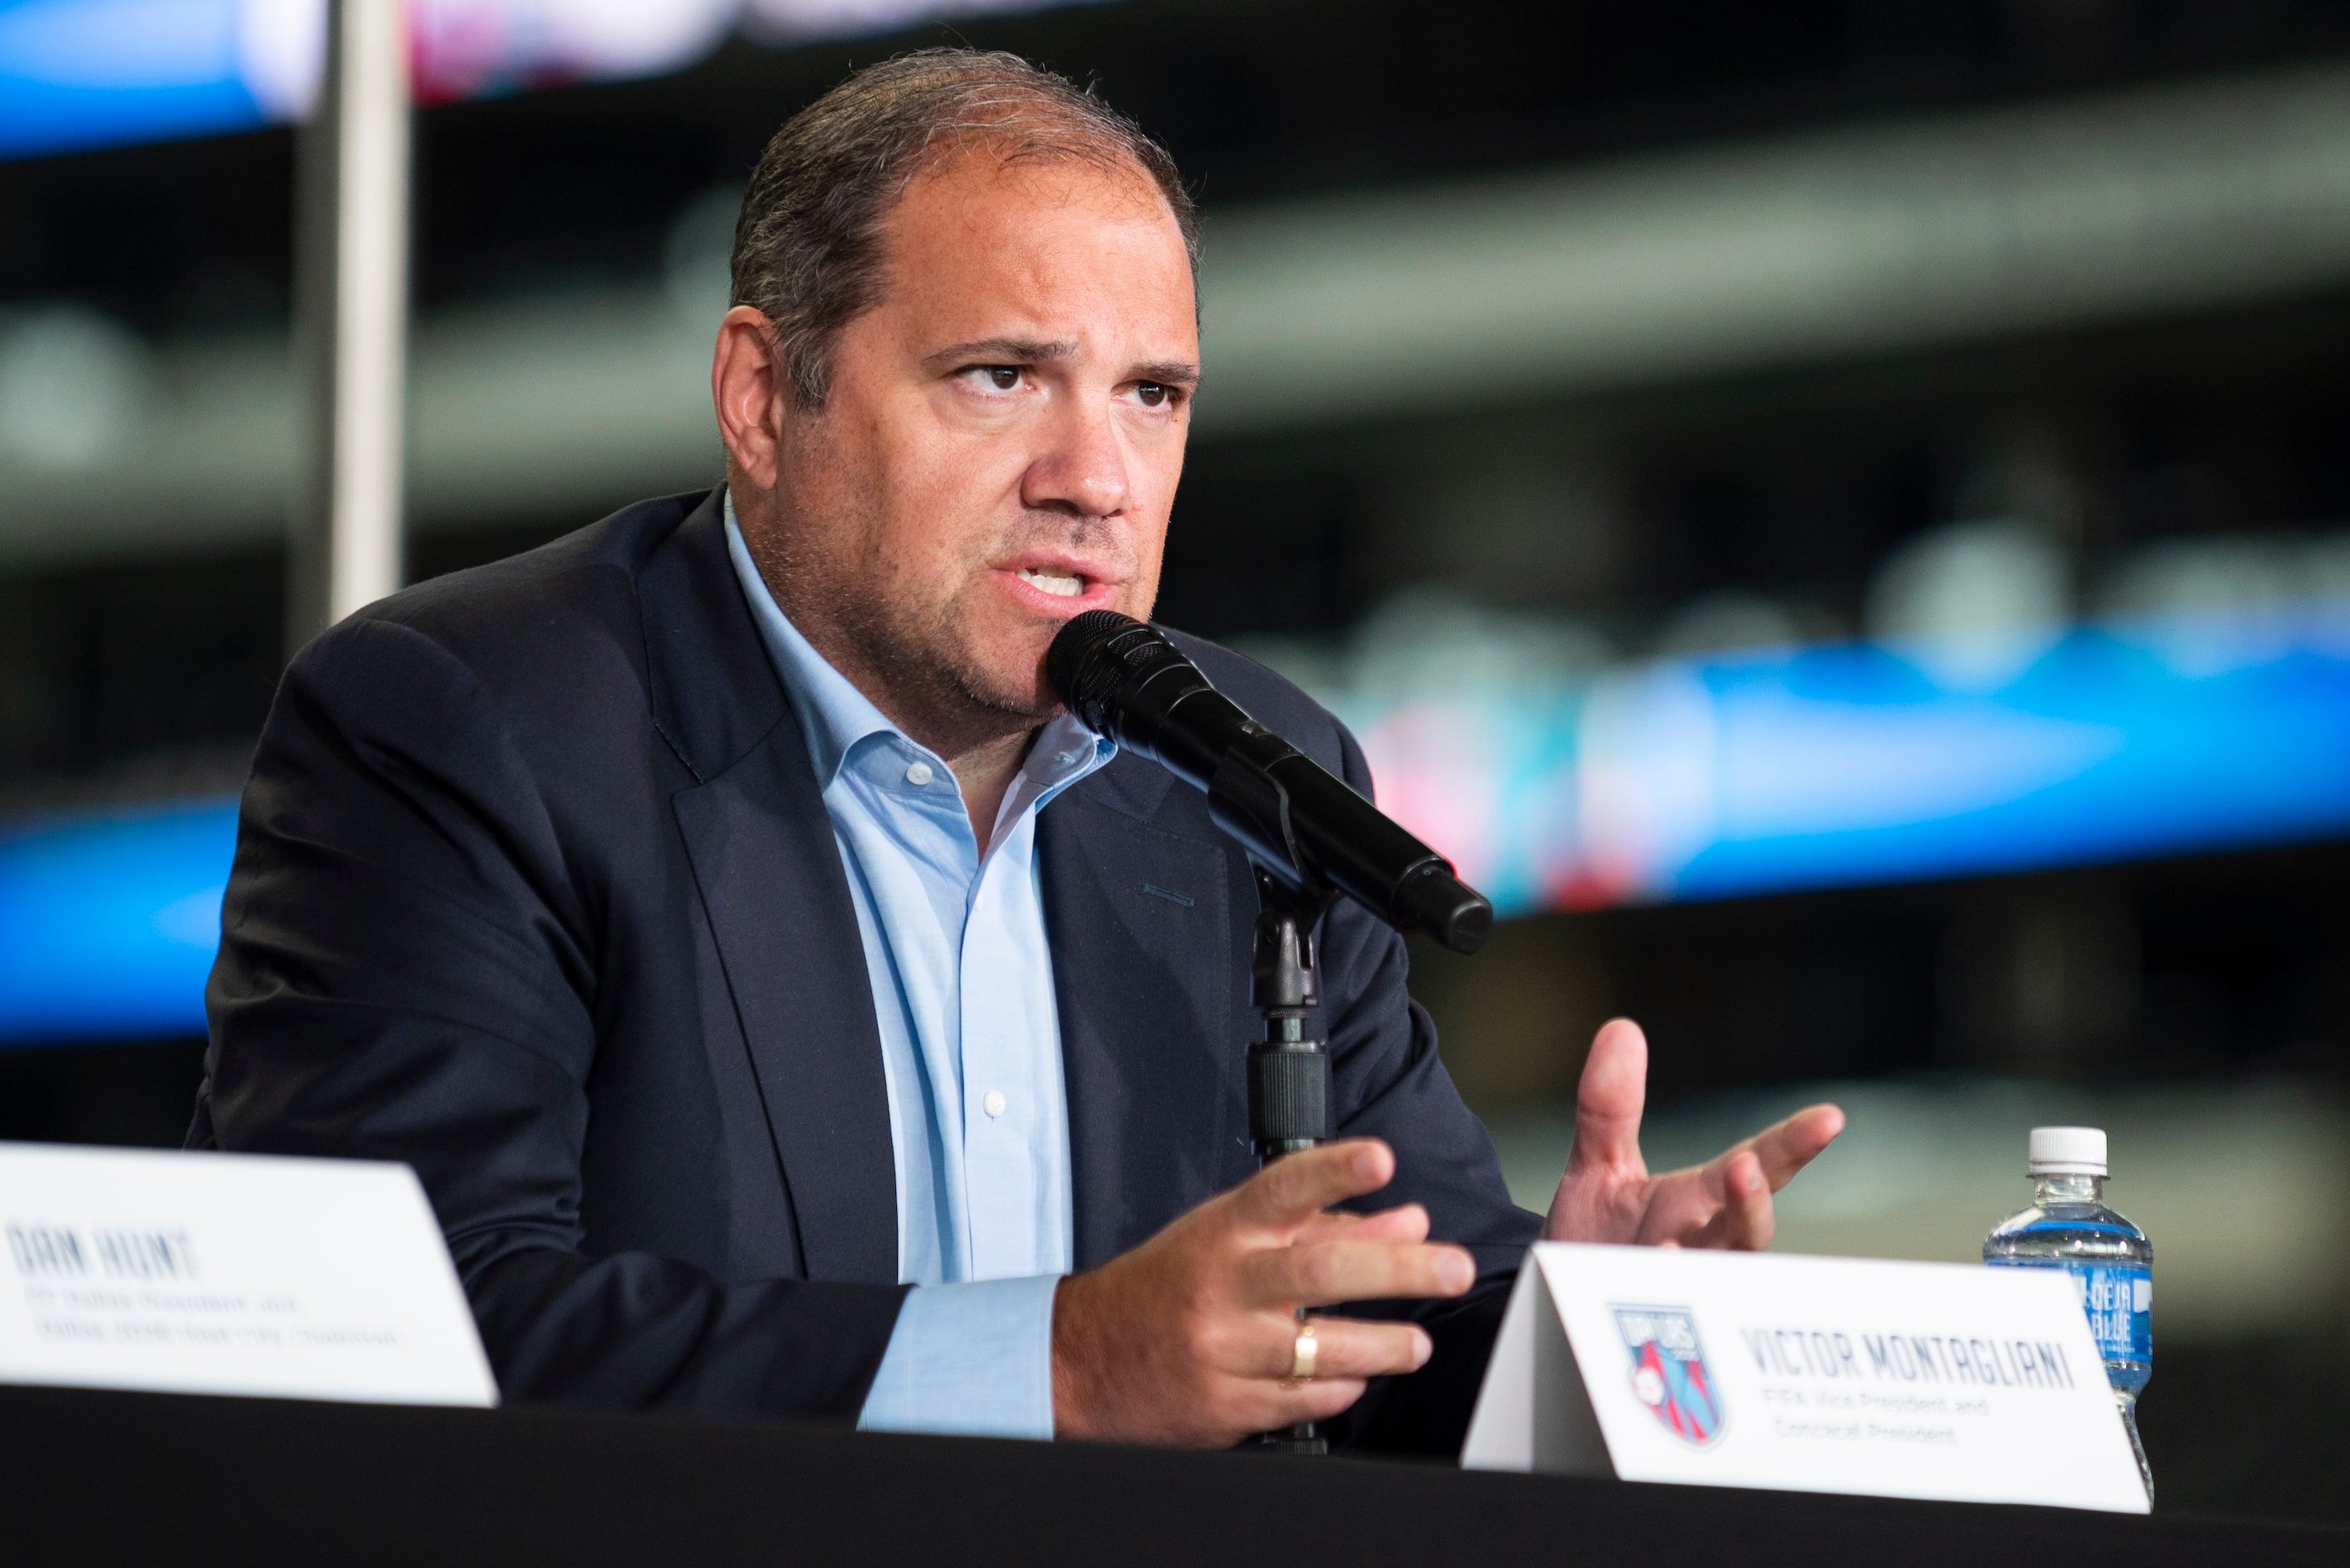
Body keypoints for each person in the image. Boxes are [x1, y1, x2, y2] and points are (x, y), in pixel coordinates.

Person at [192, 49, 1842, 1453]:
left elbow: (1369, 1338)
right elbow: (394, 1337)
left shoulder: (1255, 773)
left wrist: (1583, 1334)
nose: (1098, 476)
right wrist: (1059, 1367)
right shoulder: (466, 725)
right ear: (766, 400)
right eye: (1003, 378)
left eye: (1152, 397)